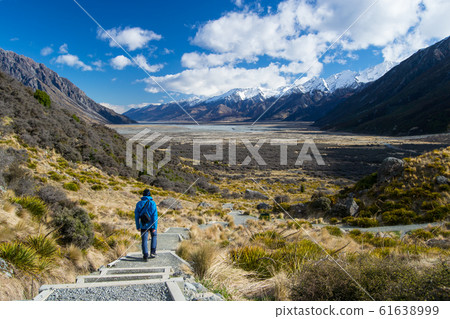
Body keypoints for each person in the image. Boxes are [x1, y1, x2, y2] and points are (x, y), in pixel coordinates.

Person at [134, 189, 158, 261]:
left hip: (143, 225)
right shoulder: (153, 203)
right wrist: (155, 226)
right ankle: (153, 252)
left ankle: (145, 255)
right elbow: (155, 216)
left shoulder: (139, 204)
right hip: (152, 224)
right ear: (149, 194)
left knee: (144, 239)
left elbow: (136, 216)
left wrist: (138, 226)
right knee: (154, 236)